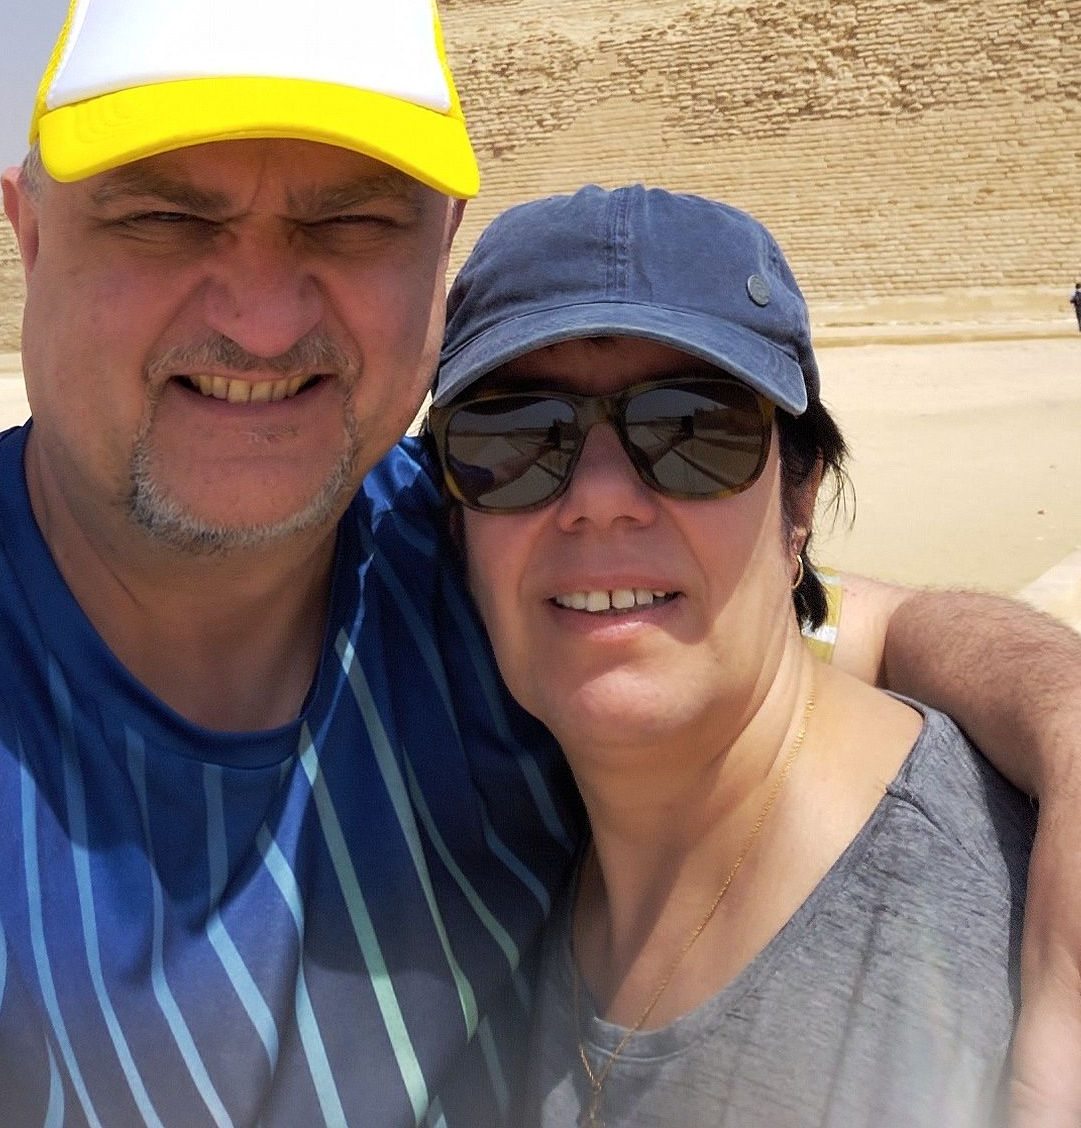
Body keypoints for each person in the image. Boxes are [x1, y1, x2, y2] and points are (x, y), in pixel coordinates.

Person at [0, 0, 1081, 1127]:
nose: (259, 312)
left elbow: (837, 621)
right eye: (163, 216)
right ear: (26, 235)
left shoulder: (445, 551)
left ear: (438, 253)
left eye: (348, 221)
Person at [430, 186, 1036, 1126]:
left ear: (801, 502)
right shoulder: (512, 855)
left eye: (692, 429)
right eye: (513, 436)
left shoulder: (1009, 960)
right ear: (452, 519)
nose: (600, 498)